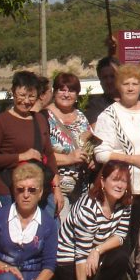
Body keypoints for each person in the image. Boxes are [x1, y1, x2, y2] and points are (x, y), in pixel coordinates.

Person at [53, 161, 132, 280]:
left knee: (121, 257)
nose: (119, 185)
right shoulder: (88, 208)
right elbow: (80, 254)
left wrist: (97, 250)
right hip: (69, 259)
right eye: (115, 179)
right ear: (102, 181)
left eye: (123, 181)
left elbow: (121, 236)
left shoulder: (124, 204)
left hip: (94, 254)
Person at [92, 64, 140, 237]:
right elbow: (100, 154)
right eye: (125, 83)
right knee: (124, 241)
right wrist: (132, 159)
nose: (130, 88)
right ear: (118, 86)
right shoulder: (108, 115)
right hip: (121, 191)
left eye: (135, 83)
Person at [0, 71, 60, 214]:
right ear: (13, 92)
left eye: (31, 96)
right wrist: (20, 157)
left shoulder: (40, 119)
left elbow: (49, 154)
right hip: (9, 190)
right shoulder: (1, 121)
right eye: (22, 95)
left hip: (38, 188)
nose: (26, 101)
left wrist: (56, 189)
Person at [45, 72, 92, 204]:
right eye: (62, 89)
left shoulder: (81, 117)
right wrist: (69, 158)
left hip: (81, 189)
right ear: (54, 92)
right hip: (55, 189)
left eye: (71, 90)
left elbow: (88, 143)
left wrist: (92, 158)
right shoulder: (44, 117)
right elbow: (41, 154)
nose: (66, 94)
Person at [85, 56, 120, 126]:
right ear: (100, 81)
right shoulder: (95, 106)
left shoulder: (135, 100)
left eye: (112, 76)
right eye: (105, 77)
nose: (109, 81)